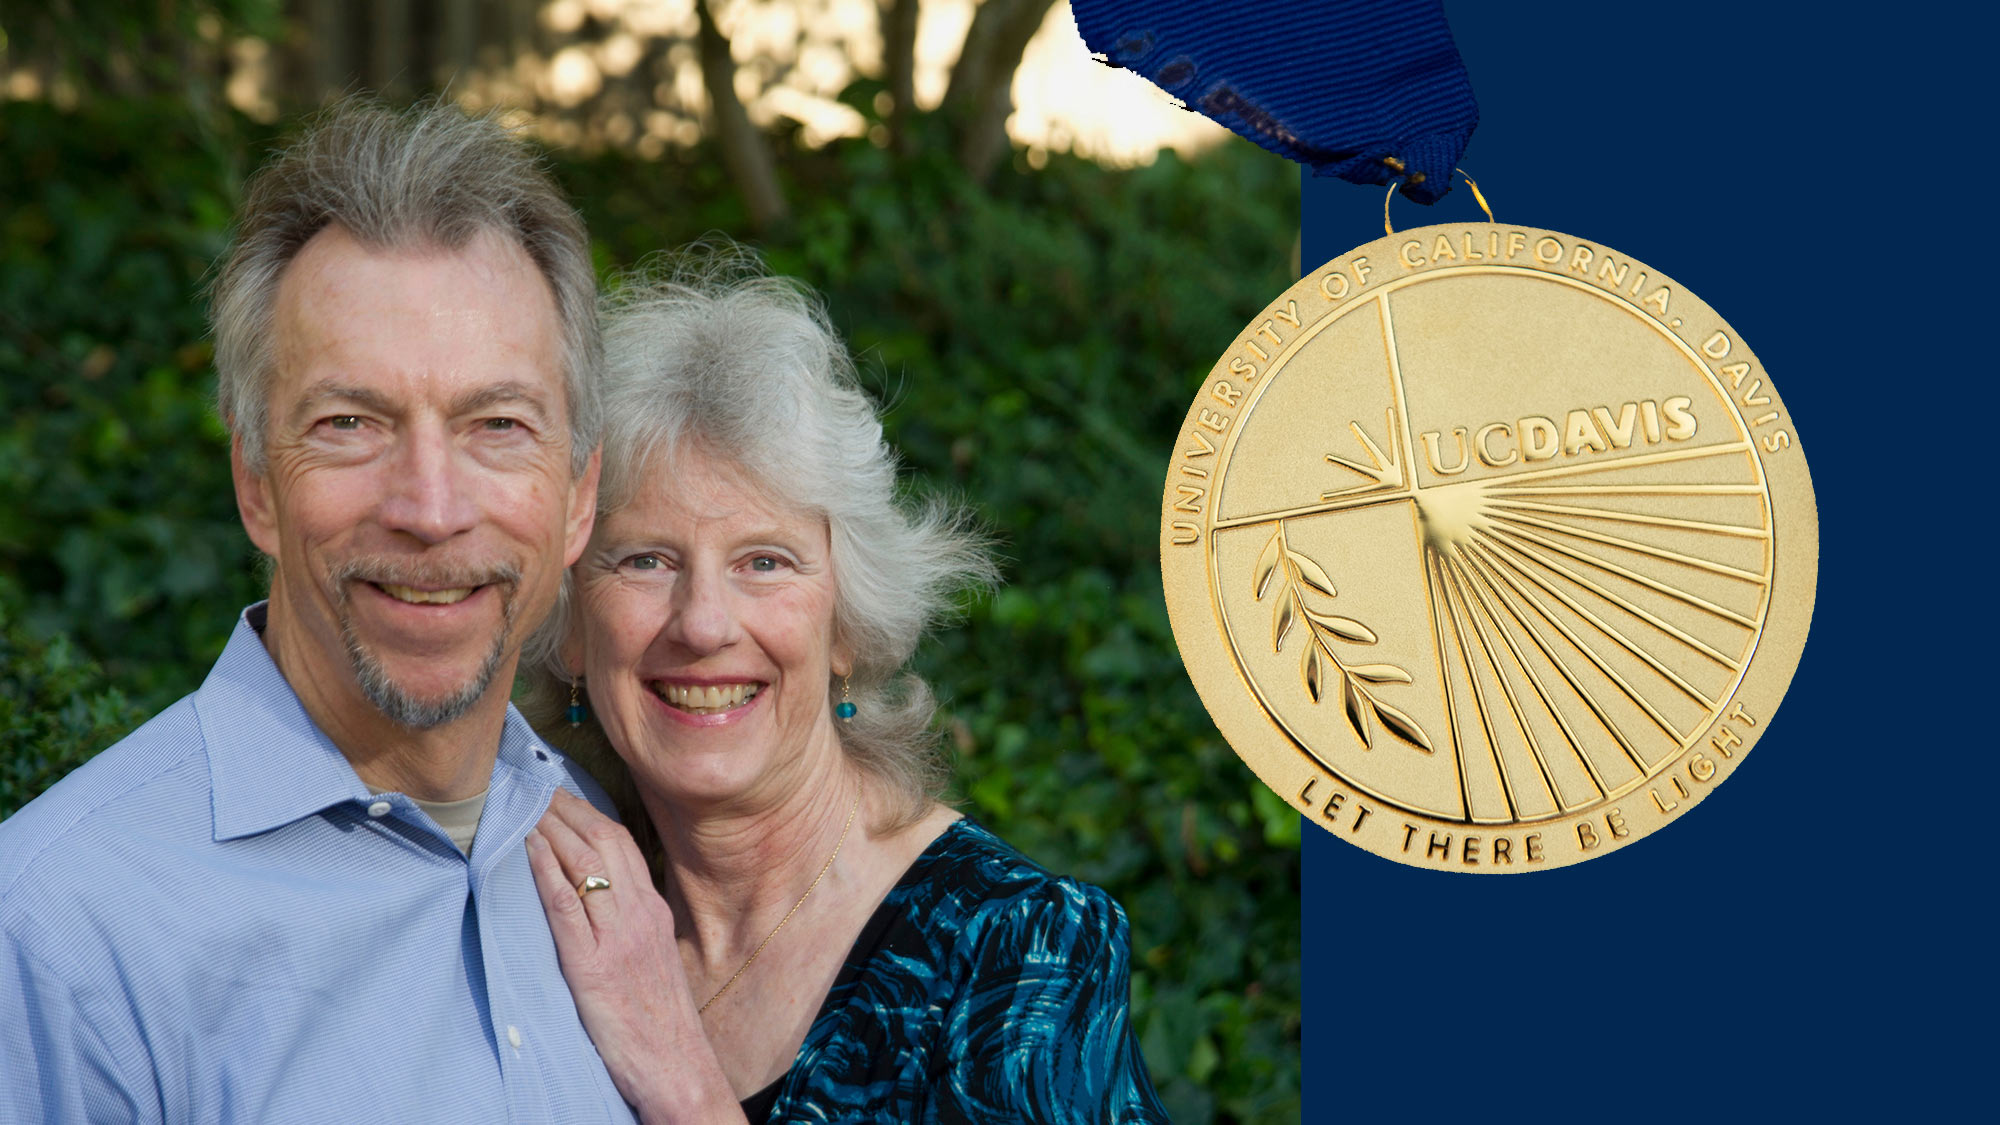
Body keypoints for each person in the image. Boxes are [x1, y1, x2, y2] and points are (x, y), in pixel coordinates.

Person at [0, 100, 635, 1121]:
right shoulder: (58, 934)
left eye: (497, 424)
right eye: (349, 423)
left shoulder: (603, 849)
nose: (429, 510)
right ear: (256, 482)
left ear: (578, 494)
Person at [514, 253, 1170, 1123]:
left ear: (847, 624)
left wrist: (679, 1080)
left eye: (765, 561)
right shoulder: (543, 902)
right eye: (645, 559)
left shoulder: (1017, 956)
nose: (704, 623)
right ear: (568, 625)